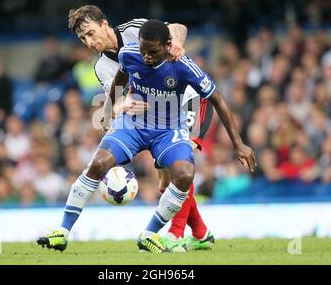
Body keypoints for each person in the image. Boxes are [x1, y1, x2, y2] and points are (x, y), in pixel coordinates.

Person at [37, 19, 256, 253]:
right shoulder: (128, 54)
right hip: (133, 126)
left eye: (153, 52)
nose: (147, 57)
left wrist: (238, 144)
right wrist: (111, 108)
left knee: (183, 174)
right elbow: (122, 75)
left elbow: (217, 99)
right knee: (98, 163)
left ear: (166, 46)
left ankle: (151, 234)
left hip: (170, 129)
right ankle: (62, 231)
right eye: (144, 51)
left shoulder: (183, 65)